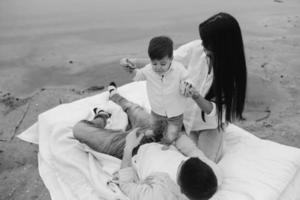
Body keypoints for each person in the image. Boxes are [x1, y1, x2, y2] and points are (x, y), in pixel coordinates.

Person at [120, 12, 247, 162]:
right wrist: (134, 62)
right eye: (203, 41)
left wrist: (196, 96)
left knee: (205, 162)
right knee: (179, 152)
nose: (203, 46)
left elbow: (216, 111)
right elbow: (170, 58)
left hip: (210, 125)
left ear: (222, 45)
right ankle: (128, 108)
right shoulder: (198, 47)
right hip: (185, 118)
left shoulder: (230, 73)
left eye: (207, 43)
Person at [73, 85, 222, 200]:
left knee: (79, 130)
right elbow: (189, 148)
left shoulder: (159, 195)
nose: (182, 159)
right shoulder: (211, 172)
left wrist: (129, 147)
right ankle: (114, 95)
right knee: (134, 109)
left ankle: (102, 117)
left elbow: (126, 185)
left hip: (133, 150)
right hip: (157, 138)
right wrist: (170, 137)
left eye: (182, 164)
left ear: (181, 190)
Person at [121, 36, 188, 146]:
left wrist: (185, 85)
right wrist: (130, 69)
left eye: (163, 64)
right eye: (154, 63)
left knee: (172, 133)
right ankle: (156, 134)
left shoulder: (179, 69)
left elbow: (187, 79)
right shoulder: (149, 69)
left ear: (171, 59)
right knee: (155, 126)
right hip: (157, 110)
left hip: (175, 112)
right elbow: (138, 75)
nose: (158, 67)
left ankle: (168, 142)